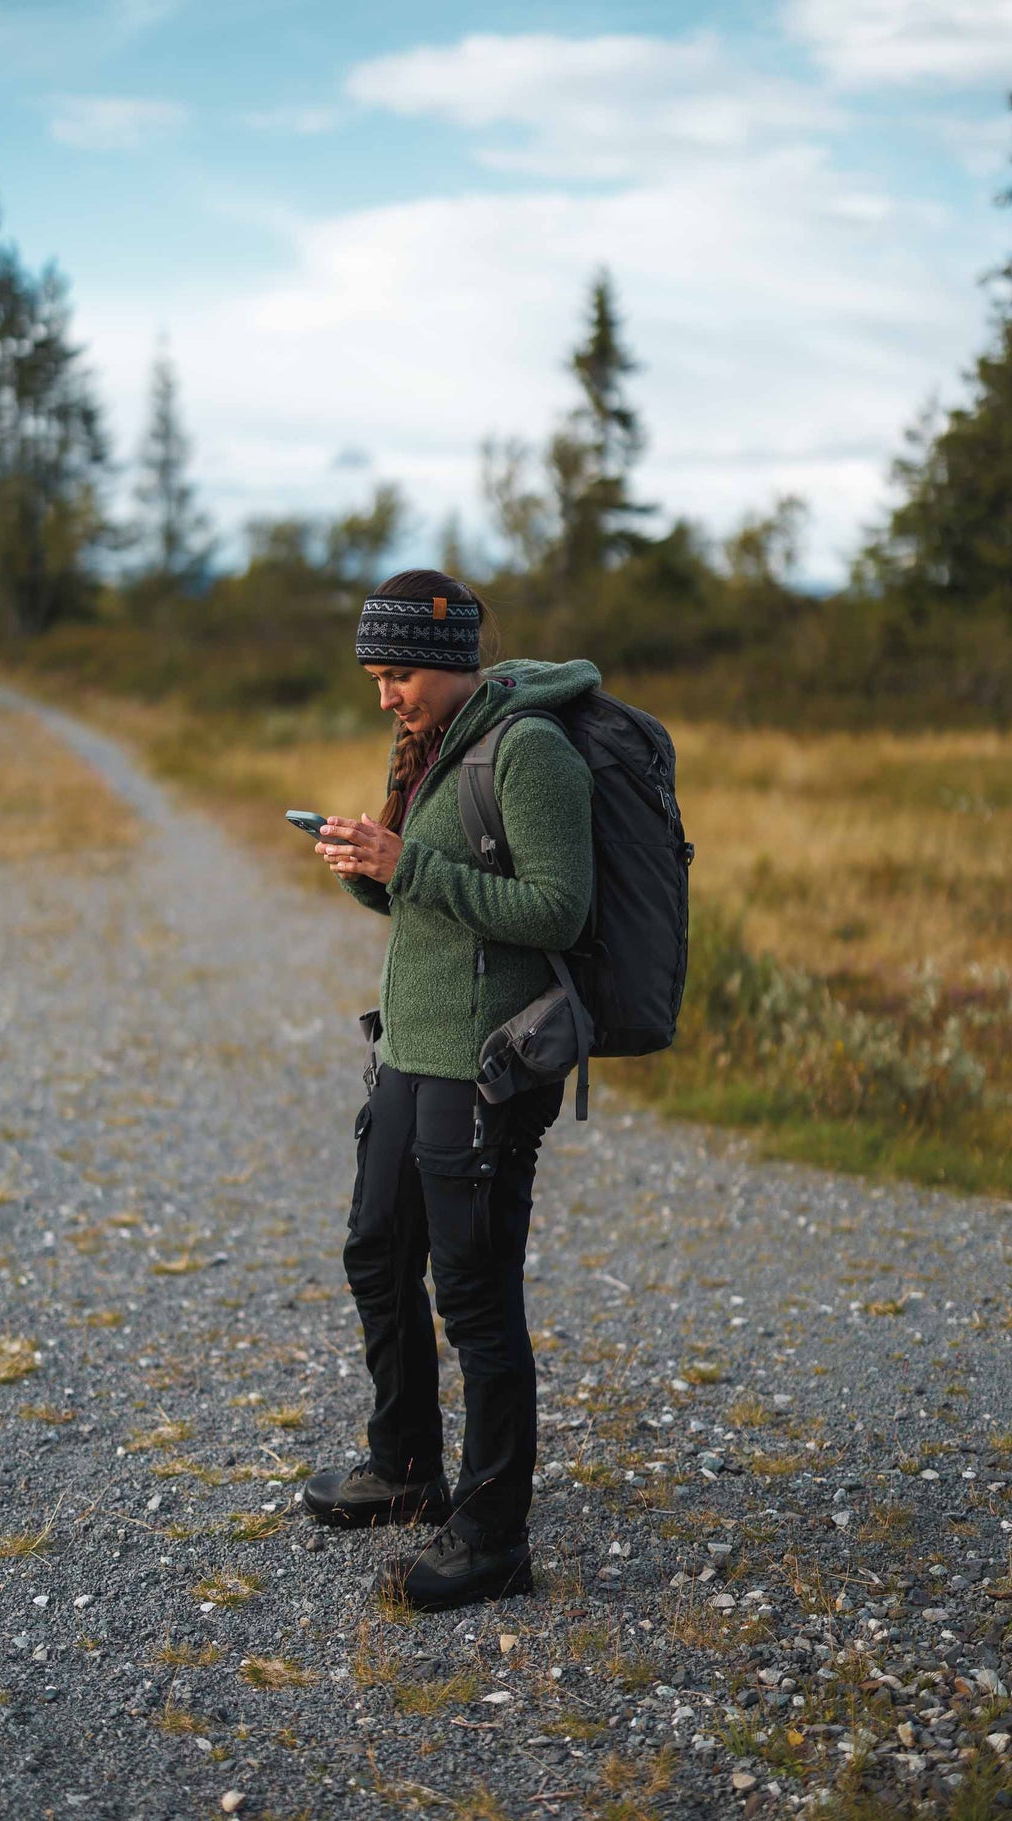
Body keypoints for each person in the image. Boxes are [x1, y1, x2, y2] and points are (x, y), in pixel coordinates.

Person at [301, 569, 598, 1611]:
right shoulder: (431, 748)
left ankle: (491, 1534)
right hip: (409, 1054)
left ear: (442, 660)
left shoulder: (530, 751)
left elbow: (556, 911)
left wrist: (406, 867)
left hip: (485, 1066)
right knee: (376, 1251)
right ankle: (405, 1469)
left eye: (395, 675)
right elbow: (423, 906)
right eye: (376, 676)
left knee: (473, 1295)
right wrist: (363, 863)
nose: (384, 695)